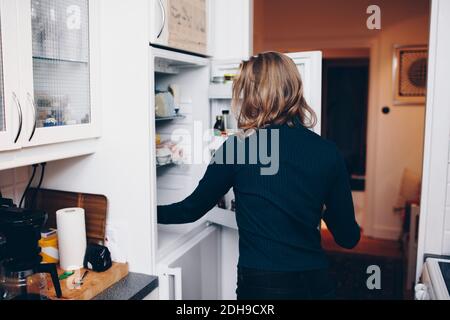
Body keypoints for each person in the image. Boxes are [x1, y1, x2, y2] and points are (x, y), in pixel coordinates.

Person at [158, 52, 361, 300]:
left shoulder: (238, 148)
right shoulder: (328, 152)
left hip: (262, 286)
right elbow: (348, 238)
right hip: (314, 283)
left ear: (254, 96)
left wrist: (147, 213)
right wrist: (323, 205)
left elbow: (190, 209)